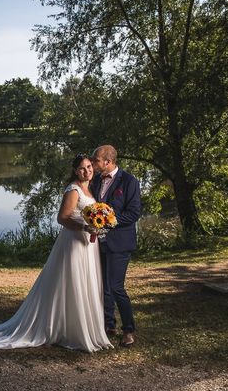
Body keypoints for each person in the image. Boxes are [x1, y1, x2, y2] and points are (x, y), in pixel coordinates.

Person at [0, 154, 112, 353]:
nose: (88, 171)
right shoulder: (73, 189)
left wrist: (98, 225)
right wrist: (85, 227)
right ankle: (62, 329)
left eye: (90, 167)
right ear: (76, 171)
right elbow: (62, 218)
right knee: (70, 282)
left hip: (88, 245)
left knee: (85, 281)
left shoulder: (88, 189)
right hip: (73, 243)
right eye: (83, 168)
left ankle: (76, 327)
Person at [90, 145, 141, 347]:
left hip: (120, 243)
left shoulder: (129, 182)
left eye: (96, 160)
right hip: (97, 242)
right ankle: (108, 325)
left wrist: (107, 220)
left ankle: (128, 330)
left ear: (108, 162)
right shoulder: (95, 180)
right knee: (103, 287)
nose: (94, 164)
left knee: (116, 287)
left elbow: (134, 213)